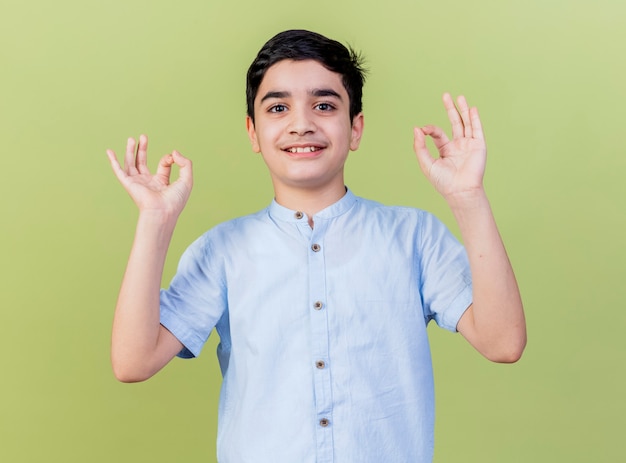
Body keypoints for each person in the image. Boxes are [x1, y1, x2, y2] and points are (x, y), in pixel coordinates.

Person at [106, 29, 526, 463]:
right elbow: (133, 362)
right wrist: (154, 222)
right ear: (253, 132)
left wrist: (467, 198)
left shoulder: (413, 237)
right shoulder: (223, 250)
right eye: (278, 107)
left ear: (355, 128)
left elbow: (503, 343)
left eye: (324, 105)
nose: (301, 123)